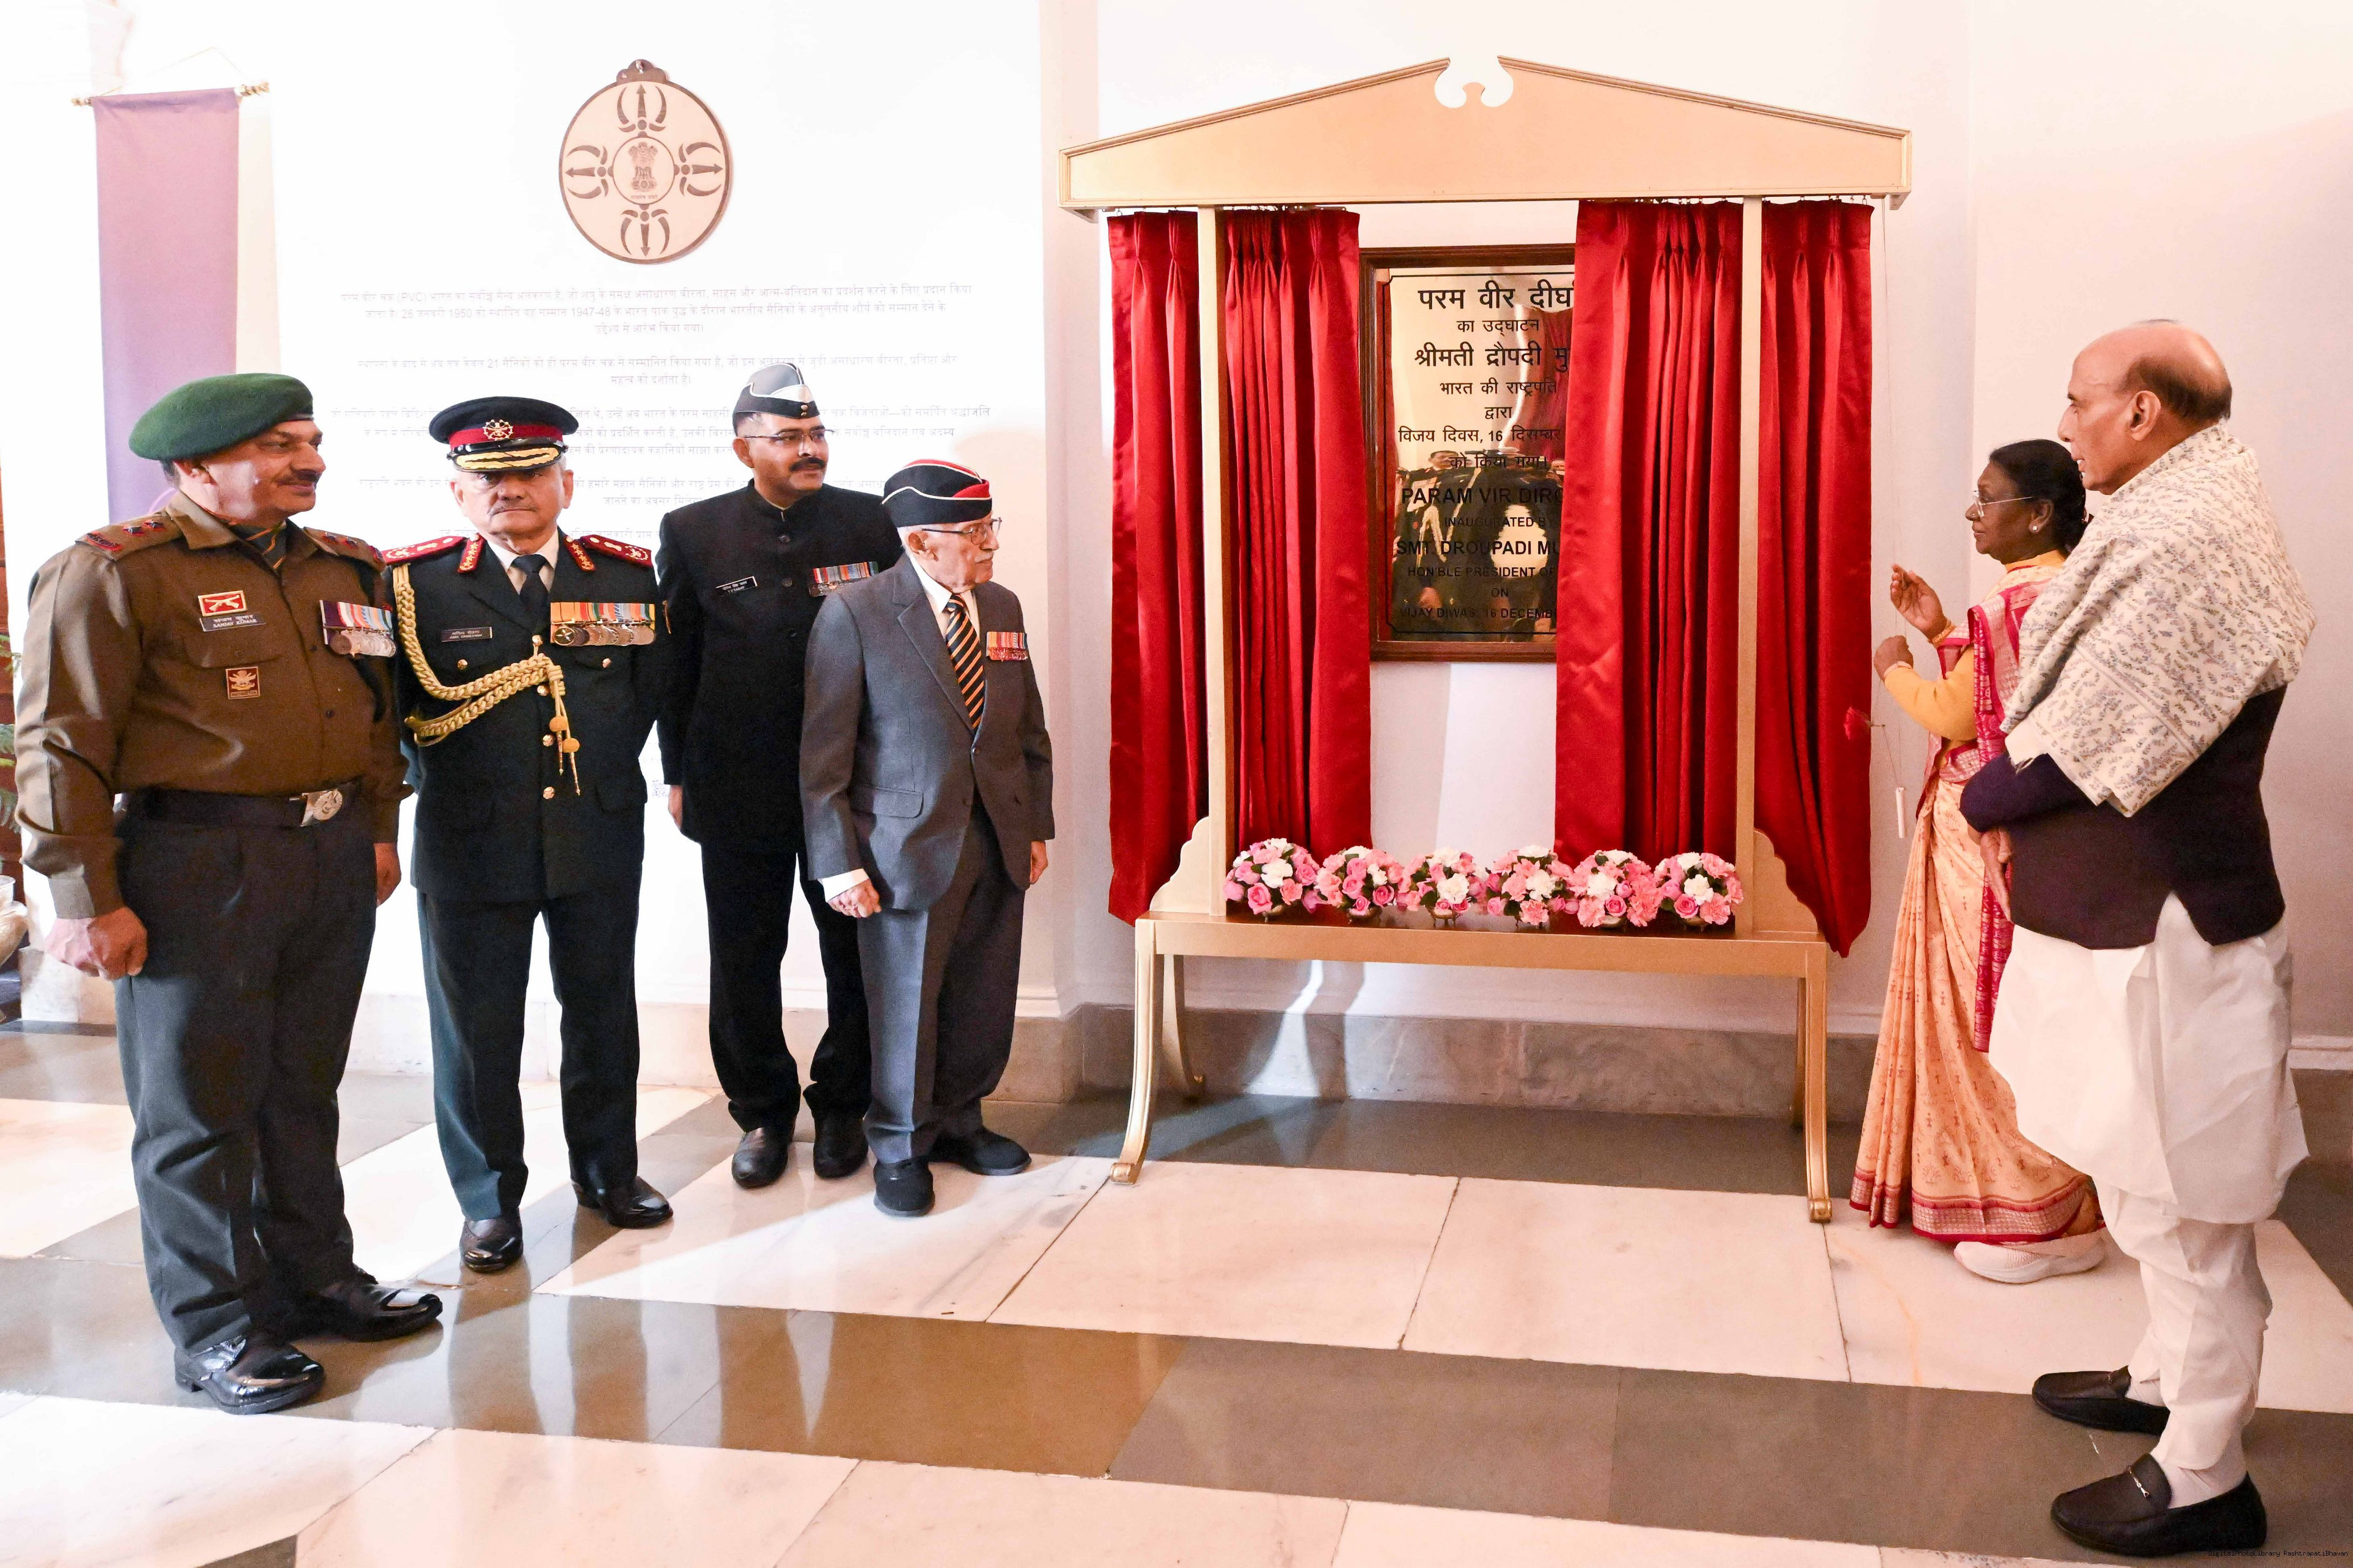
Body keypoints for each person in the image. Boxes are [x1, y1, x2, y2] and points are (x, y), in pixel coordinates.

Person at [16, 373, 439, 1414]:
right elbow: (61, 743)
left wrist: (375, 832)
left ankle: (315, 1277)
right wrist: (82, 895)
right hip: (194, 863)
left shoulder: (342, 564)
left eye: (312, 440)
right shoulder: (112, 571)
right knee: (197, 1109)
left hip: (327, 855)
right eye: (280, 446)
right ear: (197, 465)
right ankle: (215, 1327)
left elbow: (373, 714)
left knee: (302, 1088)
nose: (311, 461)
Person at [1960, 324, 2313, 1557]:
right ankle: (2165, 1376)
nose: (2065, 427)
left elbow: (2091, 735)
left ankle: (2204, 1468)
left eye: (2077, 402)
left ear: (2143, 412)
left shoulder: (2182, 534)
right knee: (2138, 1164)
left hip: (2167, 919)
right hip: (2128, 910)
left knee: (2181, 1192)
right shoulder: (2179, 508)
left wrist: (1981, 796)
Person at [383, 397, 675, 1273]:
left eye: (528, 474)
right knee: (476, 1033)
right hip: (470, 841)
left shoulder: (624, 575)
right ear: (458, 493)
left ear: (565, 483)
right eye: (489, 478)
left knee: (602, 1012)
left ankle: (608, 1171)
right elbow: (387, 718)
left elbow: (650, 696)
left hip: (596, 831)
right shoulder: (414, 585)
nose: (509, 489)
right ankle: (488, 1200)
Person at [1852, 440, 2104, 1283]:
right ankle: (2060, 1200)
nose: (1973, 512)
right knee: (2023, 1004)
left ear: (2036, 514)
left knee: (1977, 1014)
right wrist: (1940, 630)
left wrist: (1895, 667)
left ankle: (2027, 1209)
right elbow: (2006, 698)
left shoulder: (2011, 606)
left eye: (1988, 498)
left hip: (1983, 839)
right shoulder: (2072, 590)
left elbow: (1957, 716)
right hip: (2051, 834)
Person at [656, 365, 902, 1189]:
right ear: (744, 448)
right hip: (737, 781)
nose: (810, 449)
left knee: (853, 952)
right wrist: (678, 772)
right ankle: (762, 1110)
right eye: (790, 436)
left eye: (817, 433)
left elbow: (900, 649)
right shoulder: (694, 531)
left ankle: (843, 1104)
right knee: (744, 957)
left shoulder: (870, 521)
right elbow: (676, 662)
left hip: (851, 785)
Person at [800, 459, 1054, 1218]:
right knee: (905, 1003)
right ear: (919, 540)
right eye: (974, 533)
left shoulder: (1000, 606)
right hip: (902, 848)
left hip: (996, 834)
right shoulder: (856, 612)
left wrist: (1035, 824)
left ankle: (960, 1120)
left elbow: (1027, 727)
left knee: (983, 992)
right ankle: (902, 1144)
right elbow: (823, 758)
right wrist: (838, 863)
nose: (990, 545)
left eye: (989, 527)